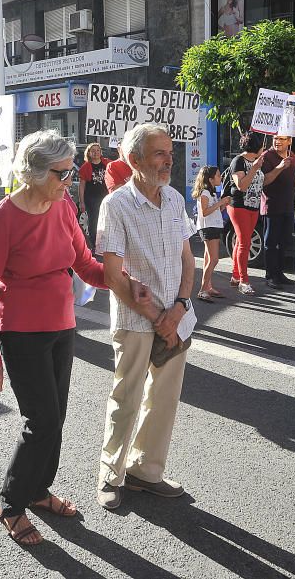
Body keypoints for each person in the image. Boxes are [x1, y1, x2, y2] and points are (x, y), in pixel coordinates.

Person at [0, 130, 149, 546]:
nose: (69, 180)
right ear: (33, 172)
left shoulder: (63, 204)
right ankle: (11, 503)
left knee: (57, 420)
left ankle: (37, 491)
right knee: (42, 422)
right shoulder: (2, 218)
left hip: (60, 326)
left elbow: (85, 264)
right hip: (19, 332)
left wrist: (126, 283)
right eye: (61, 172)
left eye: (71, 171)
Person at [95, 123, 197, 510]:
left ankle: (146, 472)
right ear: (134, 160)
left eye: (170, 152)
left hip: (176, 316)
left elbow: (188, 259)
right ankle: (111, 474)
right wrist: (158, 315)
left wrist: (180, 306)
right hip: (137, 320)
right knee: (127, 398)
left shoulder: (174, 199)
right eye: (159, 153)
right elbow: (112, 273)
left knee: (164, 400)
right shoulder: (116, 205)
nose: (168, 159)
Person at [227, 133, 266, 295]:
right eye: (262, 145)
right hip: (239, 205)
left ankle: (236, 276)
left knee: (242, 242)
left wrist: (279, 169)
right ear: (256, 147)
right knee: (244, 243)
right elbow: (241, 185)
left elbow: (262, 180)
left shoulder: (256, 161)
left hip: (254, 206)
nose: (264, 148)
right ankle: (244, 281)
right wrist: (255, 168)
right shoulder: (239, 161)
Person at [260, 134, 295, 289]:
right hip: (272, 207)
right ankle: (270, 276)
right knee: (271, 243)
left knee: (284, 242)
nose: (277, 141)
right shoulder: (267, 156)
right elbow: (264, 180)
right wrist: (280, 167)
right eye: (275, 138)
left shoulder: (293, 156)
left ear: (289, 141)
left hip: (289, 207)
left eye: (282, 139)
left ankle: (280, 274)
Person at [192, 166, 230, 301]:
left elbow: (214, 210)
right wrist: (220, 202)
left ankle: (208, 286)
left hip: (213, 226)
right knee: (214, 259)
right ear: (210, 179)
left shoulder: (212, 192)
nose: (221, 178)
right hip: (208, 228)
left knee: (209, 258)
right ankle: (203, 289)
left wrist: (223, 204)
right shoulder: (205, 193)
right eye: (219, 176)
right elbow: (205, 212)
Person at [78, 143, 111, 246]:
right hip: (91, 199)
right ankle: (94, 243)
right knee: (94, 221)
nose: (96, 152)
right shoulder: (85, 167)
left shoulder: (107, 163)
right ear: (89, 153)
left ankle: (105, 242)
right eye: (93, 151)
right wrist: (82, 202)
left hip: (105, 197)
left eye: (97, 150)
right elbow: (82, 186)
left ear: (100, 152)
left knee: (107, 220)